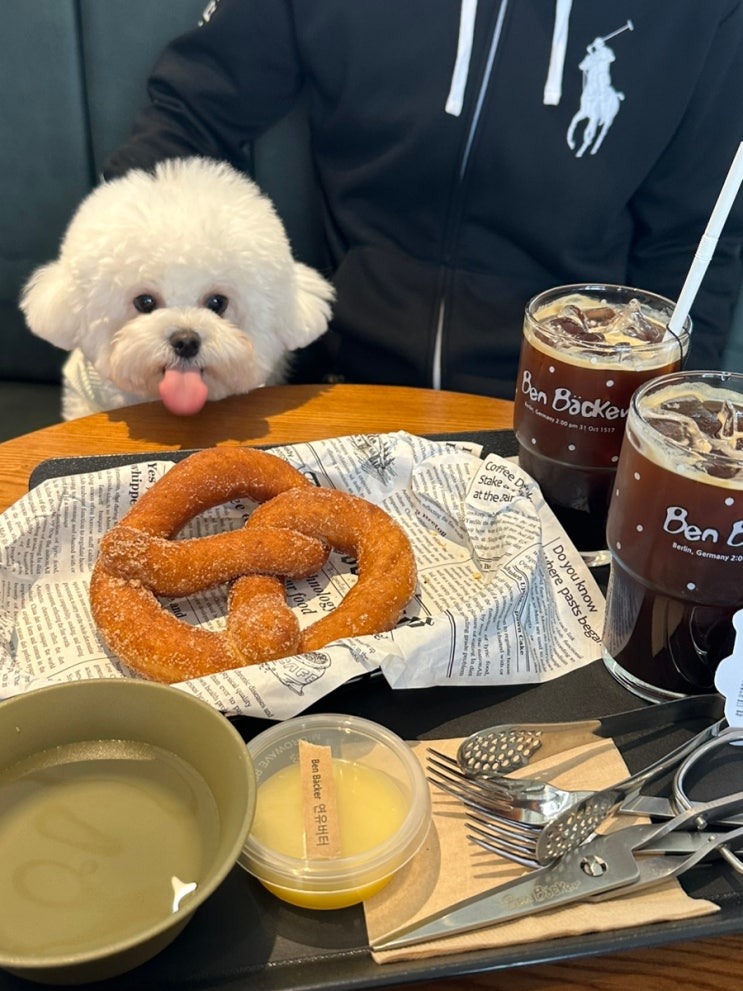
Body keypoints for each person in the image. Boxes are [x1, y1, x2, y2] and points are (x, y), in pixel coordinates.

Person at [103, 0, 743, 400]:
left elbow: (695, 241)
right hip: (337, 387)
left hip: (563, 415)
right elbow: (192, 113)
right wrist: (126, 297)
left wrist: (654, 421)